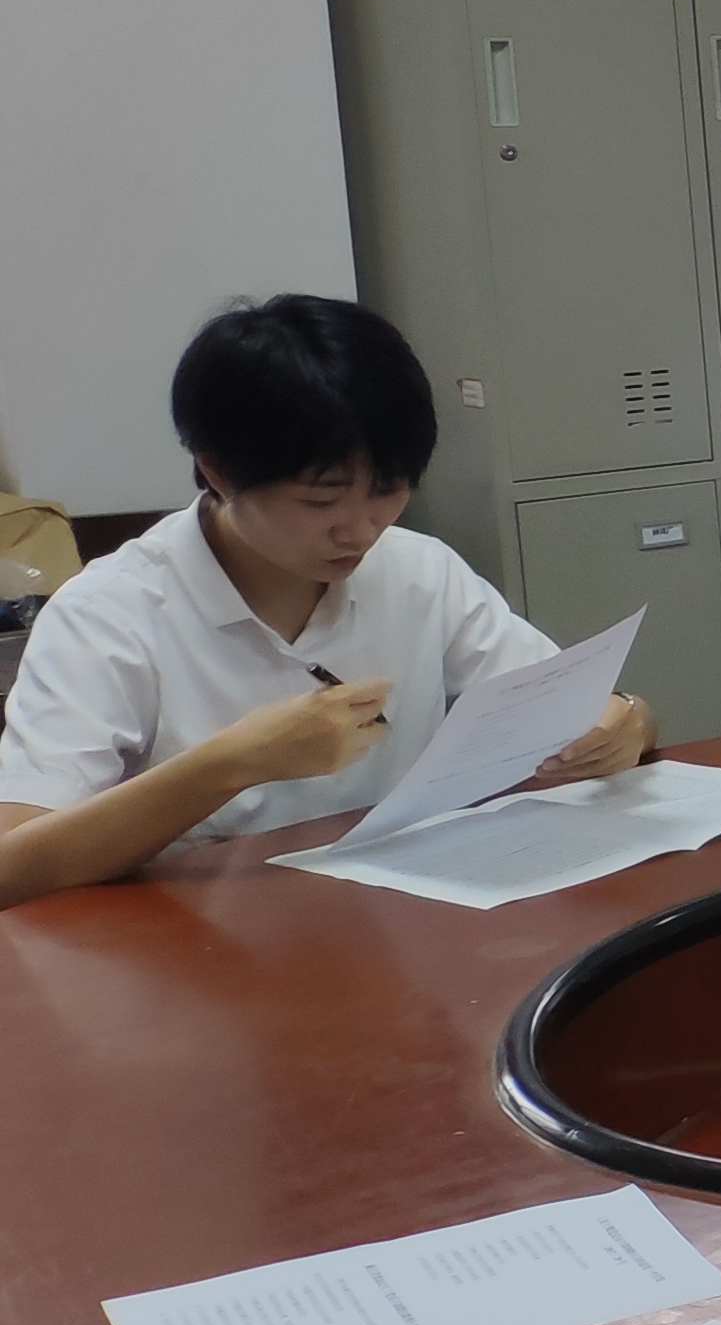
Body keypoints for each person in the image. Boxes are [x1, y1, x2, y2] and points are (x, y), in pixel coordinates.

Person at [0, 297, 650, 909]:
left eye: (388, 490)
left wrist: (625, 721)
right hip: (199, 944)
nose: (361, 529)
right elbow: (13, 865)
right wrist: (232, 764)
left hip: (406, 917)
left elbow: (575, 709)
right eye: (322, 499)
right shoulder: (108, 615)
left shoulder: (418, 570)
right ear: (218, 471)